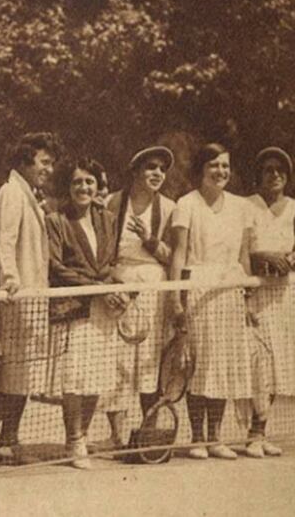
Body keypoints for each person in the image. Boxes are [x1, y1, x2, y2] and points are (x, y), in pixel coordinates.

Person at [0, 132, 62, 464]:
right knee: (16, 375)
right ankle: (3, 438)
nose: (49, 169)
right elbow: (4, 242)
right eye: (44, 162)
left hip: (34, 295)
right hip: (19, 298)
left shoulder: (29, 195)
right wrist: (10, 281)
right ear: (25, 160)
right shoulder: (10, 193)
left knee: (21, 375)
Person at [169, 143, 254, 460]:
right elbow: (178, 253)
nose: (221, 172)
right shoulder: (186, 204)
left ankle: (216, 437)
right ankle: (197, 438)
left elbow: (244, 255)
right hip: (199, 288)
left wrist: (247, 298)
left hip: (230, 290)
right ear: (201, 170)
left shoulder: (241, 206)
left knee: (223, 365)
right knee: (199, 364)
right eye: (214, 165)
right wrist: (175, 298)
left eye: (225, 166)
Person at [46, 157, 124, 470]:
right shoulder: (55, 219)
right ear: (68, 186)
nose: (84, 187)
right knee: (75, 379)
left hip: (102, 309)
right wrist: (97, 287)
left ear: (97, 185)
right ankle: (74, 438)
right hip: (73, 308)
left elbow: (113, 261)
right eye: (77, 181)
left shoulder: (108, 218)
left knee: (96, 377)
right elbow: (55, 266)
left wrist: (114, 289)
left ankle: (83, 435)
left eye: (89, 181)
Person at [101, 146, 176, 448]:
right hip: (118, 288)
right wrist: (111, 283)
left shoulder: (170, 208)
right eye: (151, 167)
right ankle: (117, 435)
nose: (157, 173)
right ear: (135, 171)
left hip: (153, 290)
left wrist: (149, 240)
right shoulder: (112, 203)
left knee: (150, 361)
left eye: (162, 168)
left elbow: (173, 257)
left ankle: (149, 432)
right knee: (115, 361)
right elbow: (103, 251)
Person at [244, 146, 295, 458]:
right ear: (259, 175)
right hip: (253, 294)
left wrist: (288, 261)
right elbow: (239, 252)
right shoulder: (245, 206)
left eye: (280, 170)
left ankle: (261, 431)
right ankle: (252, 432)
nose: (275, 175)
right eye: (268, 169)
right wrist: (262, 257)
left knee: (277, 365)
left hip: (283, 296)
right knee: (257, 365)